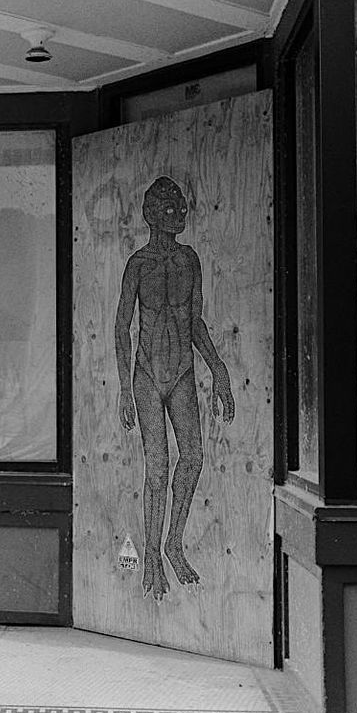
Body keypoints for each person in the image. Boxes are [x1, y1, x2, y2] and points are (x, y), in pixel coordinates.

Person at [114, 176, 235, 601]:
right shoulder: (138, 264)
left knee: (194, 458)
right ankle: (150, 557)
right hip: (147, 375)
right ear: (151, 214)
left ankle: (173, 543)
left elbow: (195, 321)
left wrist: (218, 370)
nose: (179, 214)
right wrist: (124, 388)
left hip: (182, 371)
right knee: (158, 468)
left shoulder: (189, 260)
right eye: (170, 208)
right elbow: (122, 326)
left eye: (181, 207)